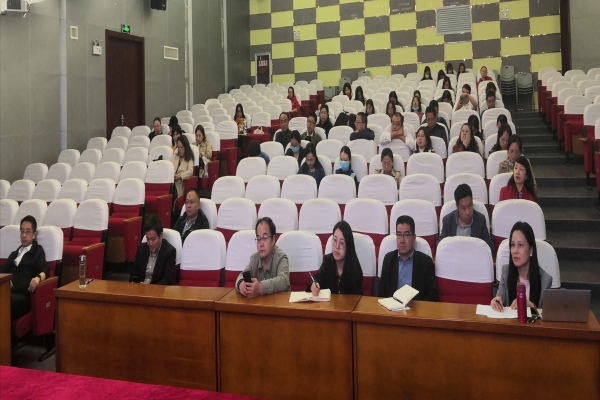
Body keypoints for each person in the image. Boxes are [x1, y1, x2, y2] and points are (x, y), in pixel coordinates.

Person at [491, 222, 552, 311]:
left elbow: (546, 315)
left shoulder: (545, 280)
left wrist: (532, 307)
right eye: (512, 245)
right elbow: (499, 298)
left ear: (531, 250)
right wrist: (496, 302)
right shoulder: (506, 272)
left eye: (520, 245)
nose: (515, 251)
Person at [378, 215, 439, 301]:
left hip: (415, 307)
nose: (402, 240)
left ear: (414, 238)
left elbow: (432, 295)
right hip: (392, 307)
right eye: (399, 235)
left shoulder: (425, 262)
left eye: (406, 235)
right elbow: (381, 294)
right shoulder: (389, 259)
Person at [0, 215, 47, 320]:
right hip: (8, 291)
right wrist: (6, 281)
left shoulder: (37, 251)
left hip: (23, 296)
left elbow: (45, 270)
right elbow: (2, 269)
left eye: (27, 231)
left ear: (34, 235)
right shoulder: (14, 254)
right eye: (22, 231)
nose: (24, 235)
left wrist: (38, 278)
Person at [236, 217, 290, 296]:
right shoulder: (254, 258)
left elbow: (284, 281)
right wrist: (241, 284)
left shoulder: (281, 258)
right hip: (259, 303)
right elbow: (241, 276)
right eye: (258, 239)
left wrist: (261, 287)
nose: (261, 244)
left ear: (273, 239)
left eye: (265, 238)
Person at [307, 221, 363, 295]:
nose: (337, 246)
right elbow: (317, 278)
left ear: (348, 246)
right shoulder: (327, 261)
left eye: (342, 243)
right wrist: (313, 285)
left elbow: (357, 298)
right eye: (335, 240)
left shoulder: (355, 268)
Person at [437, 184, 494, 252]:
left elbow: (489, 247)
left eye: (470, 206)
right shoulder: (448, 221)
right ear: (457, 206)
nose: (468, 212)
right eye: (463, 208)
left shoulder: (480, 220)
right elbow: (440, 246)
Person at [130, 215, 176, 285]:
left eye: (153, 239)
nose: (150, 243)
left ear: (161, 236)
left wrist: (149, 288)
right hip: (140, 288)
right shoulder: (141, 248)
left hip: (157, 290)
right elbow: (133, 274)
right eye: (148, 239)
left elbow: (167, 280)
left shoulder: (169, 251)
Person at [172, 135, 194, 200]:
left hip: (180, 184)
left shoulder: (189, 159)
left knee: (171, 191)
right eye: (178, 147)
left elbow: (190, 171)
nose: (180, 149)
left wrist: (180, 176)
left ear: (186, 147)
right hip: (172, 182)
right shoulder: (175, 157)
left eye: (182, 147)